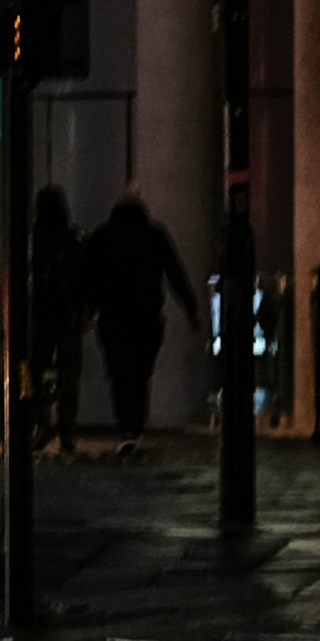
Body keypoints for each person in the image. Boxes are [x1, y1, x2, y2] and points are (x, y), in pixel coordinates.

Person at [71, 189, 196, 435]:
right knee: (140, 373)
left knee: (119, 373)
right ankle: (136, 423)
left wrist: (82, 308)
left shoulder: (103, 235)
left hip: (112, 317)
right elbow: (174, 272)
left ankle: (125, 424)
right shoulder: (153, 235)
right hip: (146, 317)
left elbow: (82, 276)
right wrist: (191, 309)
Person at [21, 186, 89, 450]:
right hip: (69, 317)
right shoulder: (74, 240)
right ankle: (67, 430)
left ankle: (39, 422)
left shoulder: (33, 240)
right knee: (69, 375)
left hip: (40, 317)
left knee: (33, 370)